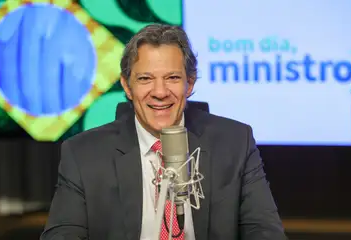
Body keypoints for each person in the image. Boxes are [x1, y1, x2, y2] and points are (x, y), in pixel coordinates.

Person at [41, 24, 287, 240]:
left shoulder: (235, 143)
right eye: (146, 78)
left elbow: (265, 231)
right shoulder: (84, 154)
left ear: (189, 84)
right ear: (127, 86)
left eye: (172, 77)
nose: (160, 92)